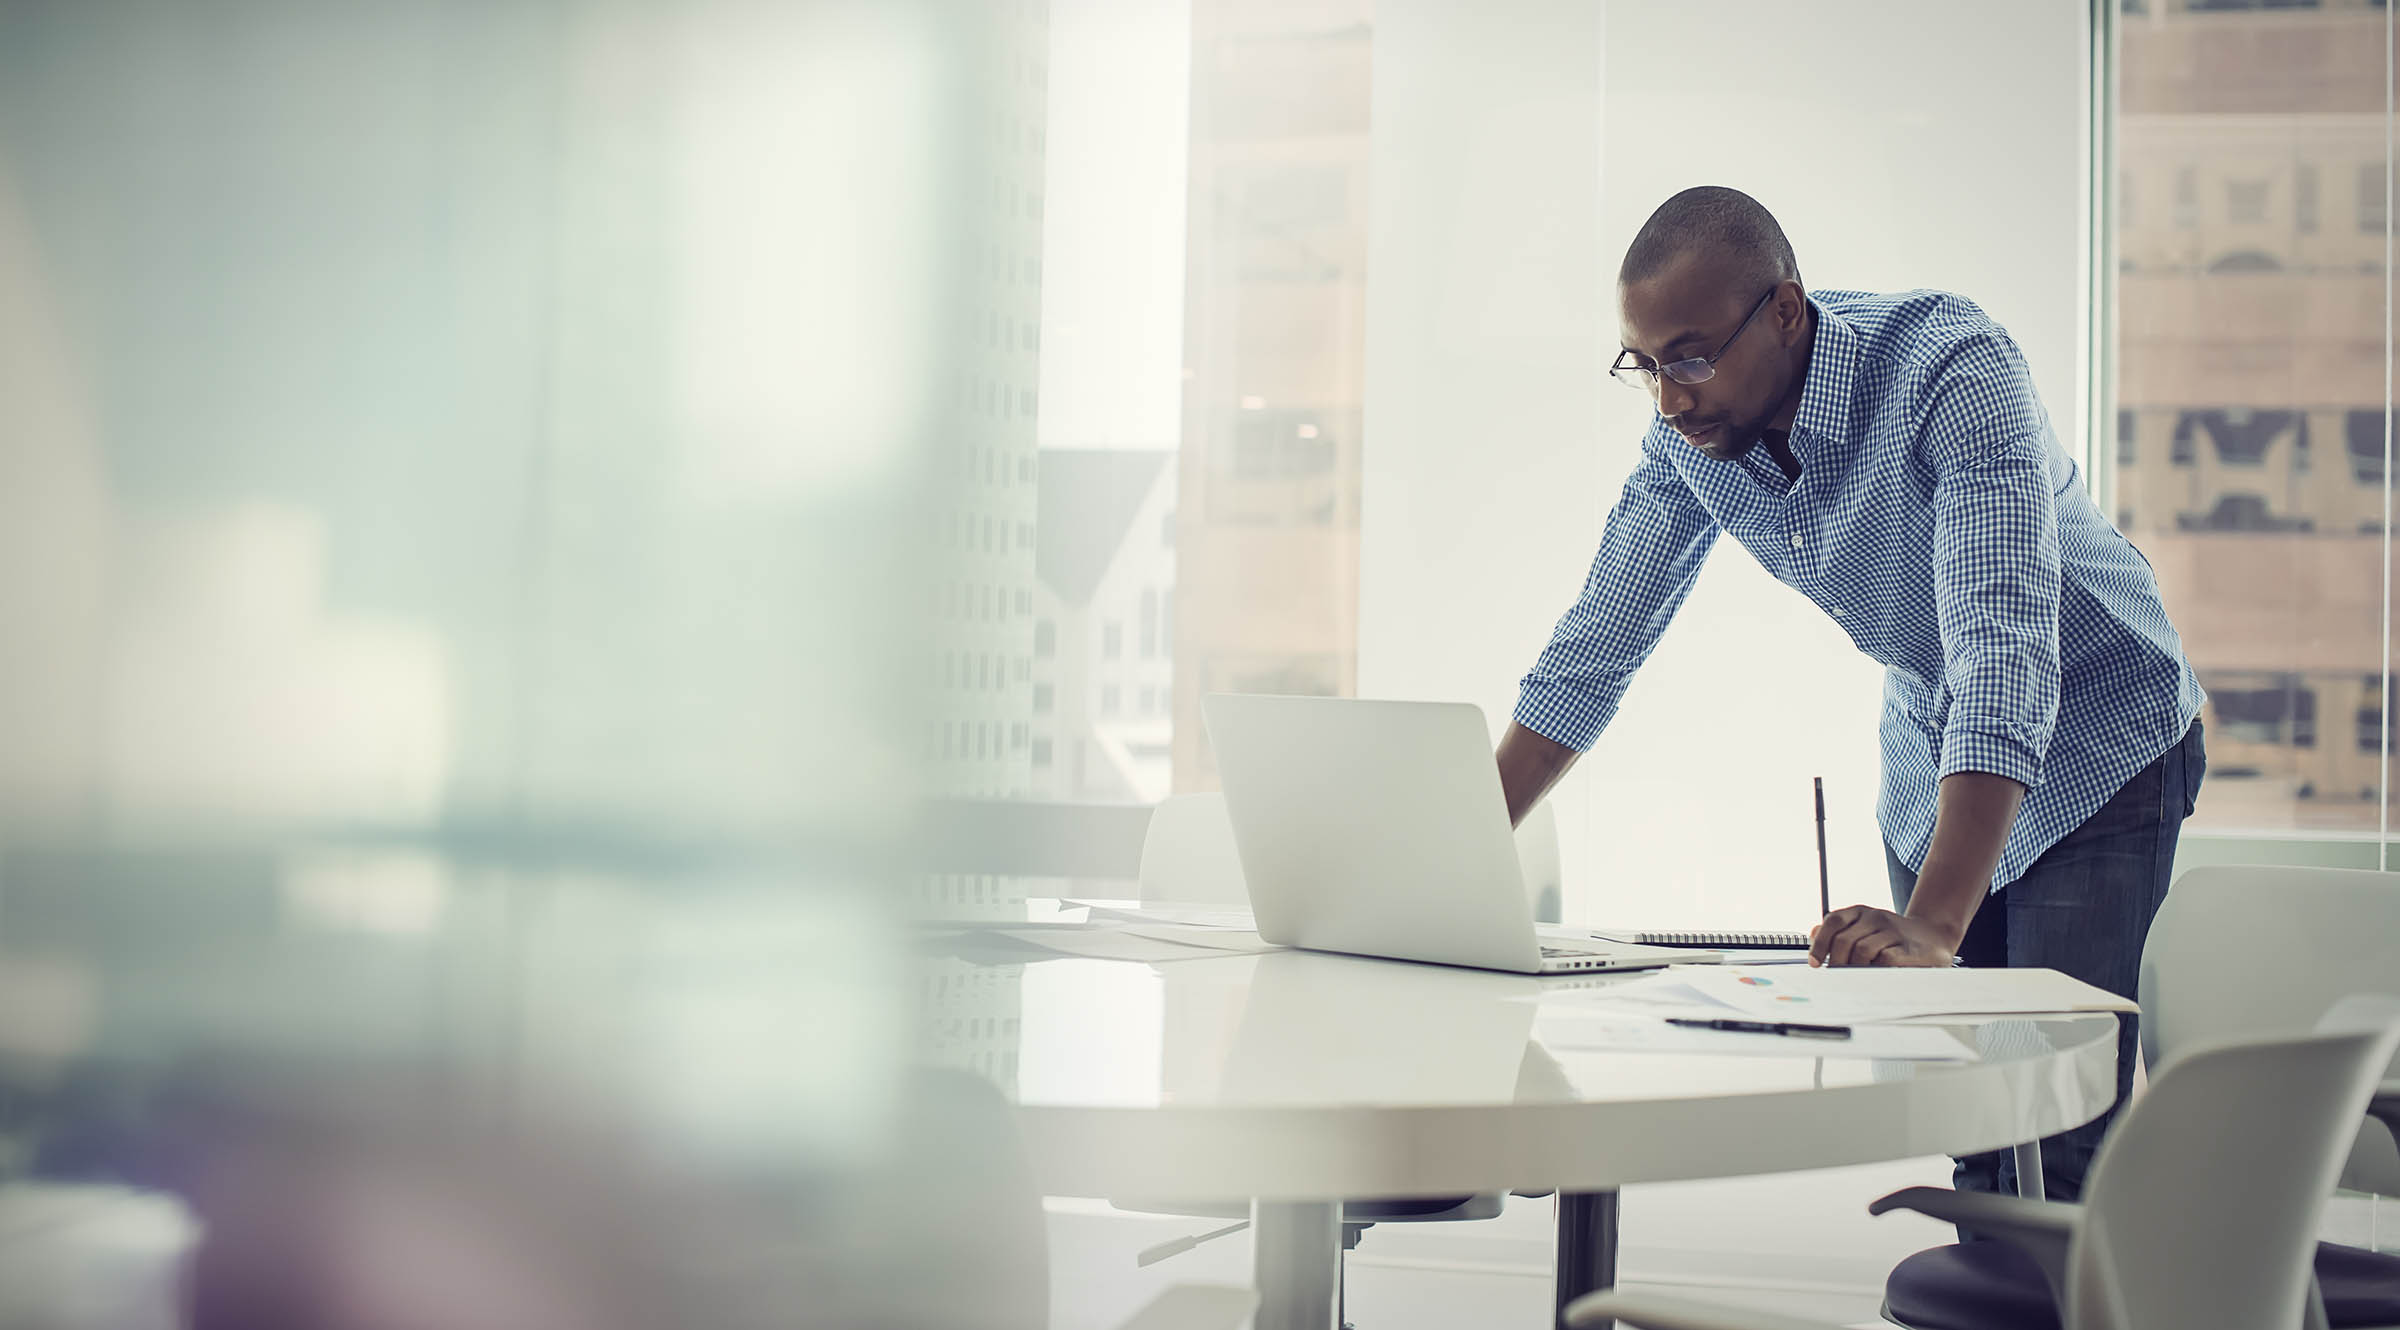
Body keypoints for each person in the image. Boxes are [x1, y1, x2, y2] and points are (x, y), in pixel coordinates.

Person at [1494, 185, 2205, 1204]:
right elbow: (1593, 650)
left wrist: (1934, 927)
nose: (1669, 398)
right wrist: (1464, 877)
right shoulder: (1689, 444)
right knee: (1972, 1124)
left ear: (1785, 310)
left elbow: (2002, 651)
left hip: (2101, 737)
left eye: (1690, 356)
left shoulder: (1951, 370)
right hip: (1935, 756)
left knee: (2063, 1136)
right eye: (1644, 366)